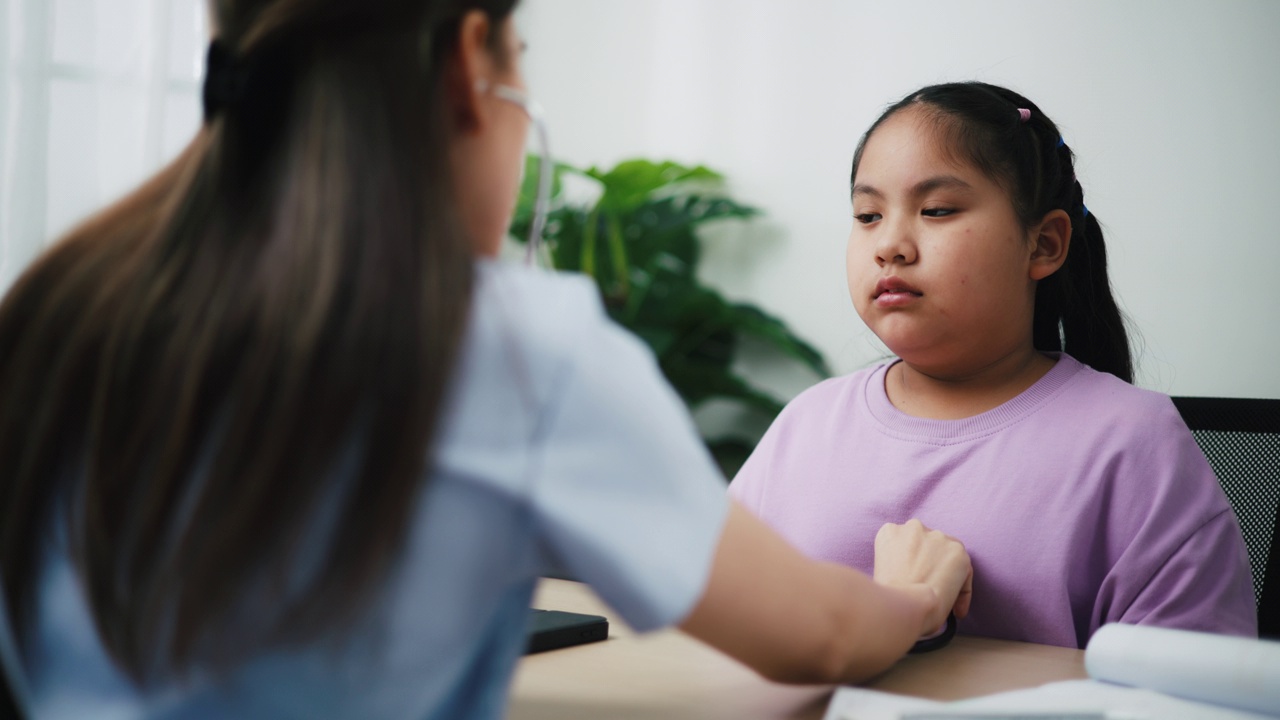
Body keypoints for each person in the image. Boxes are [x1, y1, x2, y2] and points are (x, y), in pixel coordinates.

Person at [0, 2, 973, 718]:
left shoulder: (63, 303)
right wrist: (915, 595)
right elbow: (820, 634)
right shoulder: (511, 348)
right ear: (472, 61)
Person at [729, 81, 1257, 649]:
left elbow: (1191, 693)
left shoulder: (1132, 443)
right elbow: (716, 636)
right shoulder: (808, 424)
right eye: (867, 215)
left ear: (1045, 245)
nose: (890, 244)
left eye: (936, 209)